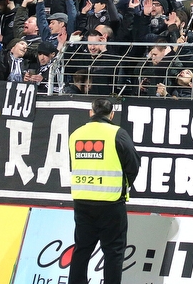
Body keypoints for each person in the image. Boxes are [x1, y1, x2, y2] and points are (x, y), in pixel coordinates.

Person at [68, 98, 140, 284]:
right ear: (112, 114)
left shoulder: (76, 134)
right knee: (113, 252)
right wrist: (124, 184)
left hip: (82, 199)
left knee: (82, 249)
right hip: (111, 201)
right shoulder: (117, 133)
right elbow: (133, 163)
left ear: (91, 112)